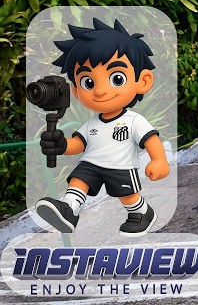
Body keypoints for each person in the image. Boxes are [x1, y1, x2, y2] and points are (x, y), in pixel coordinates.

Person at [32, 18, 169, 237]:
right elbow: (78, 144)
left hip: (120, 167)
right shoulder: (92, 124)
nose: (100, 91)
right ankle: (69, 210)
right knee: (79, 178)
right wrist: (61, 144)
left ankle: (142, 212)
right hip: (92, 164)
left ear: (142, 81)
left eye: (116, 78)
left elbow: (150, 139)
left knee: (126, 195)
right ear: (77, 91)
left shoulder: (133, 120)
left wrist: (159, 160)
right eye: (88, 82)